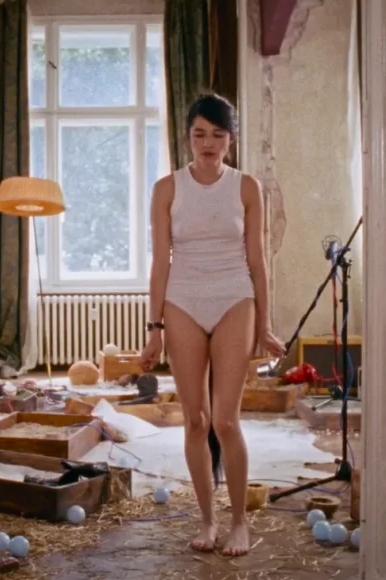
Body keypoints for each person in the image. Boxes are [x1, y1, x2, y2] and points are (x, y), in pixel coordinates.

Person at [140, 92, 285, 557]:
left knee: (225, 419)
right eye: (199, 134)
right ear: (187, 136)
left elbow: (258, 263)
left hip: (233, 297)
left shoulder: (247, 187)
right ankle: (207, 520)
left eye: (218, 135)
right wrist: (154, 328)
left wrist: (265, 326)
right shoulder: (167, 188)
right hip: (182, 299)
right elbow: (160, 264)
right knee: (196, 421)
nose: (208, 143)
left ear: (231, 139)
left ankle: (239, 522)